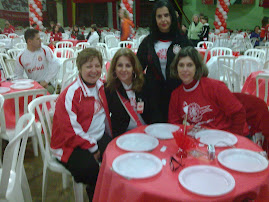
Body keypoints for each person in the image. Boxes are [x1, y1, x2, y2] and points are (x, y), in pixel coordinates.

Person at [50, 48, 112, 201]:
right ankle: (97, 196)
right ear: (80, 68)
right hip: (69, 144)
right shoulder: (71, 94)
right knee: (92, 171)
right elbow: (69, 131)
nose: (94, 70)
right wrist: (93, 147)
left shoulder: (102, 87)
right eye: (88, 66)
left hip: (95, 137)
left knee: (117, 159)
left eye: (97, 66)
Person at [168, 46, 247, 136]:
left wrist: (233, 138)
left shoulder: (215, 87)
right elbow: (174, 125)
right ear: (176, 68)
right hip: (199, 141)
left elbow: (239, 113)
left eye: (189, 65)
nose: (185, 69)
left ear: (197, 67)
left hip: (224, 137)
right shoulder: (176, 95)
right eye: (181, 65)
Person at [137, 0, 192, 123]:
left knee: (175, 129)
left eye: (166, 15)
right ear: (155, 19)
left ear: (172, 17)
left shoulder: (182, 40)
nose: (163, 20)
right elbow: (137, 67)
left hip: (178, 94)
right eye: (159, 16)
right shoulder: (148, 42)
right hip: (153, 96)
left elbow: (193, 66)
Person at [105, 48, 158, 137]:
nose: (124, 70)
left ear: (134, 68)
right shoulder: (109, 89)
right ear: (114, 67)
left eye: (128, 66)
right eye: (120, 65)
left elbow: (155, 112)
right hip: (123, 136)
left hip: (147, 133)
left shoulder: (145, 83)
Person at [15, 29, 60, 94]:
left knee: (42, 95)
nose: (40, 40)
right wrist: (26, 86)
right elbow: (18, 76)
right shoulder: (21, 56)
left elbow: (56, 64)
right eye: (38, 39)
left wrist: (46, 81)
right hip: (33, 86)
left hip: (47, 84)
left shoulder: (45, 50)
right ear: (30, 41)